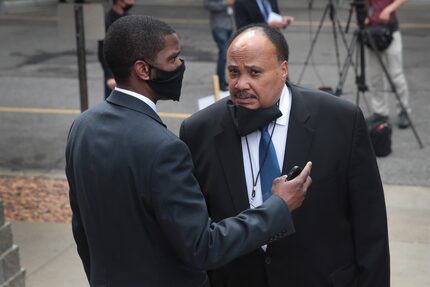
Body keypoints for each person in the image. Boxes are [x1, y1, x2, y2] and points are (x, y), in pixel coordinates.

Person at [66, 15, 313, 286]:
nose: (180, 66)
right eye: (173, 59)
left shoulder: (82, 127)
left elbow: (82, 231)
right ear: (143, 70)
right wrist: (278, 206)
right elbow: (203, 247)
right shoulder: (164, 149)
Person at [180, 23, 390, 287]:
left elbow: (371, 227)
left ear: (283, 69)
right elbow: (195, 237)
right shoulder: (199, 130)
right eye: (234, 72)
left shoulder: (341, 120)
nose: (241, 84)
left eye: (254, 72)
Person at [366, 0, 410, 128]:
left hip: (390, 30)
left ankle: (403, 110)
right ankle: (380, 112)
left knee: (396, 75)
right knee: (375, 76)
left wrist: (389, 9)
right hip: (371, 31)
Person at [97, 0, 135, 99]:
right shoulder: (107, 21)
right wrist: (109, 76)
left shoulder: (129, 19)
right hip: (115, 74)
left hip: (129, 72)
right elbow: (103, 51)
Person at [204, 0, 235, 91]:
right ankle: (220, 82)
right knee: (224, 53)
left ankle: (223, 80)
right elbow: (207, 5)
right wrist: (226, 3)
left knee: (228, 53)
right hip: (218, 26)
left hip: (230, 25)